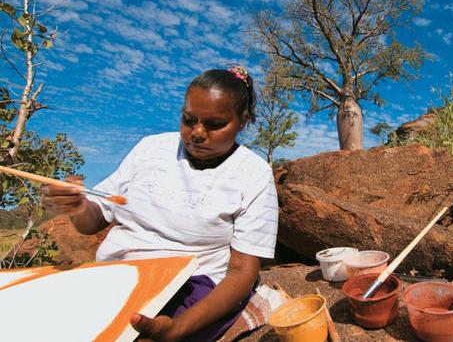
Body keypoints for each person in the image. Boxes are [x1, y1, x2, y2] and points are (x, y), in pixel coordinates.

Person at [41, 67, 279, 342]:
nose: (197, 133)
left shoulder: (253, 173)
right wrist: (77, 206)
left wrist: (178, 328)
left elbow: (242, 271)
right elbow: (92, 222)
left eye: (215, 124)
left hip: (192, 282)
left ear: (243, 121)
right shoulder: (150, 150)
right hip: (117, 274)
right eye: (189, 119)